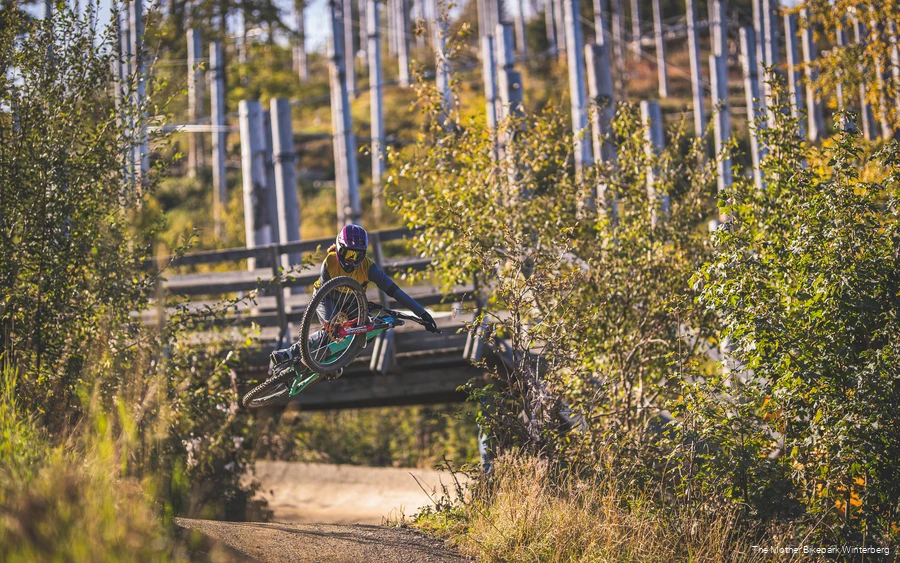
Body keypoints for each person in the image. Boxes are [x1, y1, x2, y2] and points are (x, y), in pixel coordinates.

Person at [269, 224, 438, 375]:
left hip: (352, 301)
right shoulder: (330, 261)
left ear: (364, 255)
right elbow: (324, 294)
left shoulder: (368, 267)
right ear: (338, 249)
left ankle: (339, 363)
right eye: (347, 253)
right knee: (333, 330)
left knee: (368, 330)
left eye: (357, 256)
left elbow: (395, 291)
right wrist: (332, 323)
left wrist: (422, 314)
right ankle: (289, 353)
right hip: (326, 297)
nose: (351, 260)